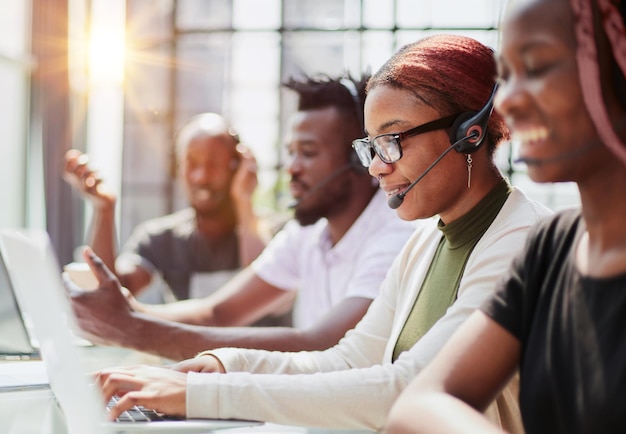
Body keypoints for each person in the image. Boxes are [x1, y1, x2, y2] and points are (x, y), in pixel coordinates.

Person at [91, 35, 553, 432]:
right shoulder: (426, 242)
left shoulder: (522, 243)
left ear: (468, 132)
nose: (377, 166)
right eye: (370, 146)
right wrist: (224, 364)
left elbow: (407, 389)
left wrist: (205, 394)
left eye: (393, 140)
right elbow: (348, 360)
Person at [384, 1, 626, 433]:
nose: (508, 102)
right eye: (506, 78)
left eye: (537, 68)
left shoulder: (523, 232)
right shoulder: (553, 248)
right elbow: (419, 399)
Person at [65, 73, 417, 361]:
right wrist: (124, 311)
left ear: (359, 159)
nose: (292, 168)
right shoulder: (307, 233)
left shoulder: (395, 234)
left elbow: (324, 345)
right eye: (291, 152)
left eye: (307, 153)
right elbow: (216, 314)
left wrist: (132, 328)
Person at [63, 113, 266, 301]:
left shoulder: (275, 234)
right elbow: (110, 292)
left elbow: (264, 288)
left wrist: (244, 199)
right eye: (191, 163)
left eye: (214, 164)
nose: (201, 177)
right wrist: (104, 209)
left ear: (237, 166)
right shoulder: (161, 239)